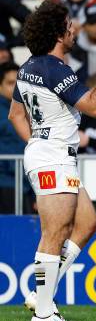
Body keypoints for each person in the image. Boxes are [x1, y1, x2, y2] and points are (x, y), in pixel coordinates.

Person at [9, 0, 96, 321]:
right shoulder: (56, 69)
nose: (75, 30)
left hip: (50, 154)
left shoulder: (30, 66)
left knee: (86, 224)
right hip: (53, 156)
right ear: (59, 32)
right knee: (54, 232)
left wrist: (38, 143)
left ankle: (41, 295)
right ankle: (43, 314)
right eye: (70, 25)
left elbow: (17, 114)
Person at [0, 61, 33, 214]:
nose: (17, 88)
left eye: (20, 83)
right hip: (6, 185)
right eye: (11, 83)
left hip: (25, 185)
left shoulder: (27, 109)